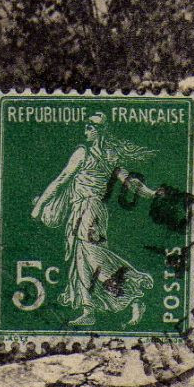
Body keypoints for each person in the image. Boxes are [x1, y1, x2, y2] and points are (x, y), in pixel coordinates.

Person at [30, 114, 159, 327]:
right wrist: (151, 193)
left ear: (98, 130)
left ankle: (134, 285)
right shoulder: (108, 154)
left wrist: (39, 206)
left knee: (90, 253)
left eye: (89, 128)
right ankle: (92, 308)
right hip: (84, 209)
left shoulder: (86, 153)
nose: (85, 132)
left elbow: (61, 180)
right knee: (81, 258)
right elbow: (131, 183)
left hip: (89, 208)